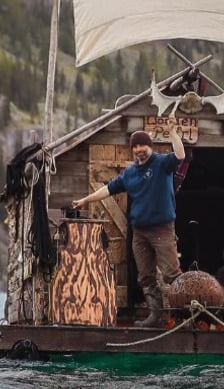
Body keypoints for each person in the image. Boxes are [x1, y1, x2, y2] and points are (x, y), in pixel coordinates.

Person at [71, 126, 185, 327]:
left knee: (171, 273)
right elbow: (108, 189)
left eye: (143, 145)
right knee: (146, 276)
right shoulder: (130, 173)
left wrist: (174, 134)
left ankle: (184, 315)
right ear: (132, 149)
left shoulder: (161, 163)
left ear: (150, 146)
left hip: (162, 228)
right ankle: (155, 316)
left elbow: (180, 156)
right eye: (136, 146)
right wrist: (86, 200)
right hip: (139, 232)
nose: (139, 149)